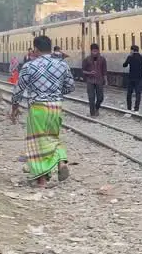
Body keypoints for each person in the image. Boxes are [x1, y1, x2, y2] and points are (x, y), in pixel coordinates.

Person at [9, 35, 74, 186]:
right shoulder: (62, 65)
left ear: (36, 49)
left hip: (38, 108)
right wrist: (55, 92)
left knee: (37, 143)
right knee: (52, 138)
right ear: (50, 48)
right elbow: (70, 86)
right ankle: (61, 162)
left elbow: (18, 90)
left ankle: (42, 180)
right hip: (56, 107)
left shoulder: (29, 66)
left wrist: (14, 107)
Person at [82, 43, 107, 117]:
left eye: (96, 51)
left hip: (99, 80)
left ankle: (96, 108)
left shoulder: (102, 59)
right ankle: (92, 113)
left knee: (100, 97)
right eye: (93, 51)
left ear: (98, 51)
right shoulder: (87, 59)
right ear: (91, 51)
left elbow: (104, 70)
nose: (95, 53)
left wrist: (106, 80)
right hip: (90, 81)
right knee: (91, 98)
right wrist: (89, 72)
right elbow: (83, 70)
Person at [122, 44, 142, 112]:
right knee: (138, 94)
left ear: (132, 50)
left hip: (131, 78)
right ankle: (136, 109)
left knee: (129, 94)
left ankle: (129, 108)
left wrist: (129, 56)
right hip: (139, 78)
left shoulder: (130, 57)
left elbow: (124, 65)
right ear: (138, 50)